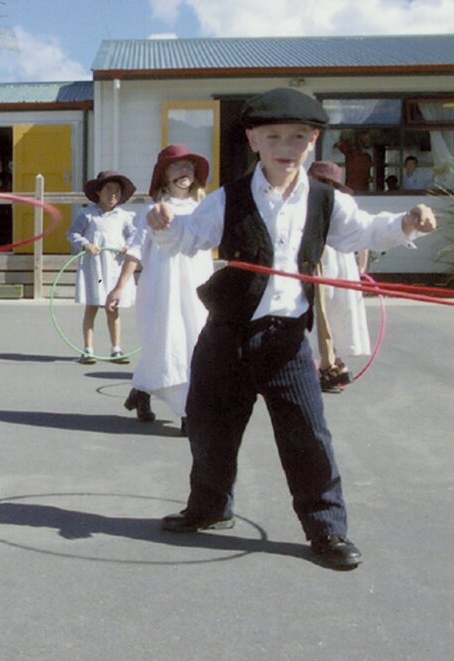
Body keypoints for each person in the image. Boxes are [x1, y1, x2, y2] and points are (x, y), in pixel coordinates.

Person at [144, 87, 437, 569]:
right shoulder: (228, 198)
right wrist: (163, 226)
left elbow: (363, 230)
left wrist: (406, 221)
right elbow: (187, 237)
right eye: (274, 135)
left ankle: (326, 529)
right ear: (254, 140)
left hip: (285, 341)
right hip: (227, 332)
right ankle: (210, 507)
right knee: (210, 426)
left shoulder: (325, 200)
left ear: (313, 141)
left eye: (298, 137)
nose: (286, 145)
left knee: (307, 435)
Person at [107, 146, 212, 431]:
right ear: (164, 176)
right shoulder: (151, 211)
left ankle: (141, 391)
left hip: (197, 288)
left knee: (196, 341)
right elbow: (136, 249)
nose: (184, 172)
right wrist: (119, 286)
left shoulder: (204, 209)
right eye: (176, 167)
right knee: (169, 343)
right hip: (162, 288)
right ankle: (188, 412)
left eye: (188, 166)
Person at [307, 161, 371, 393]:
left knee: (333, 311)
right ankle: (322, 363)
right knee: (319, 312)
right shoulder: (305, 199)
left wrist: (361, 268)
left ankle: (329, 363)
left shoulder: (342, 202)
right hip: (317, 262)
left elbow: (362, 233)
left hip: (337, 262)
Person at [67, 170, 137, 364]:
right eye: (108, 189)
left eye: (117, 191)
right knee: (93, 304)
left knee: (112, 307)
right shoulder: (88, 214)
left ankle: (116, 348)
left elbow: (134, 236)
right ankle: (88, 349)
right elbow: (72, 234)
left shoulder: (124, 216)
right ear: (98, 191)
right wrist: (86, 244)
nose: (112, 194)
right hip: (95, 269)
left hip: (114, 269)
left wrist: (127, 246)